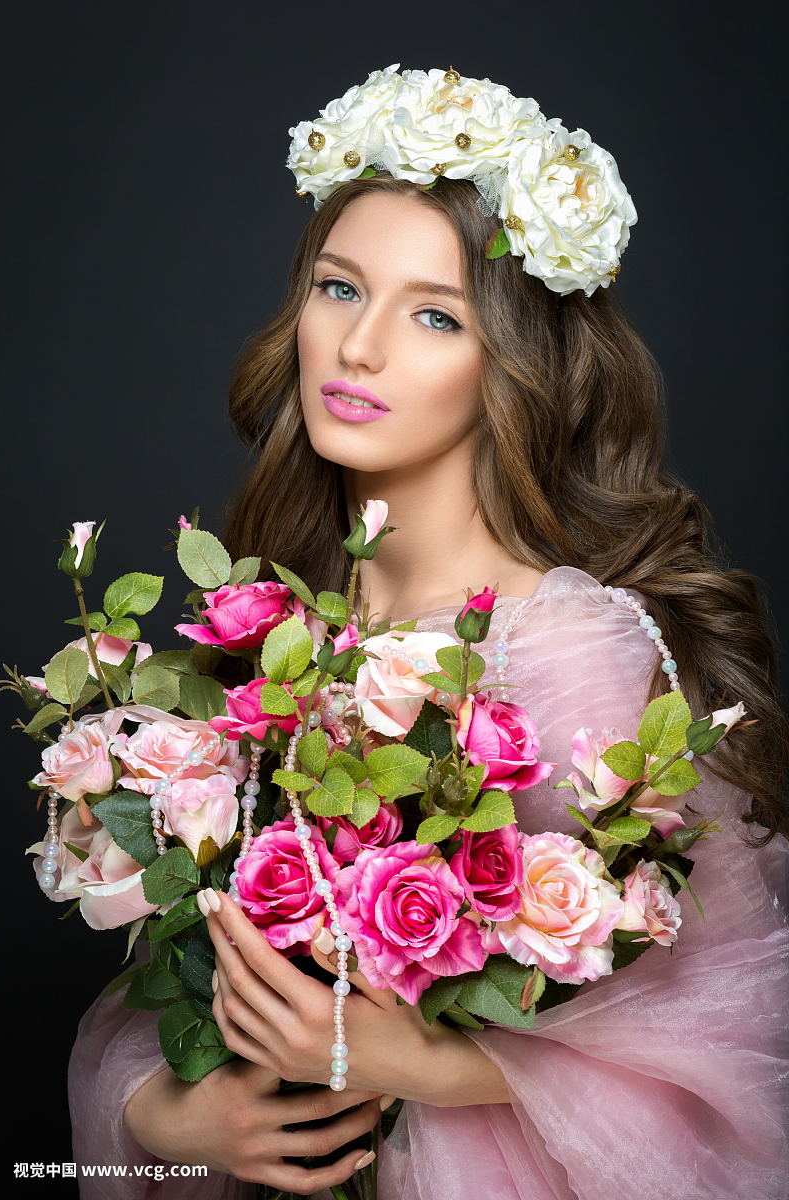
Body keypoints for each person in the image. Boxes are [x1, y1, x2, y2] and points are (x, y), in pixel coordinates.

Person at [70, 68, 788, 1198]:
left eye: (435, 314)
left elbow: (726, 1042)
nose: (358, 349)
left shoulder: (559, 645)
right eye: (338, 288)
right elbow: (177, 982)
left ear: (514, 364)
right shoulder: (280, 628)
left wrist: (421, 1063)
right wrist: (169, 1111)